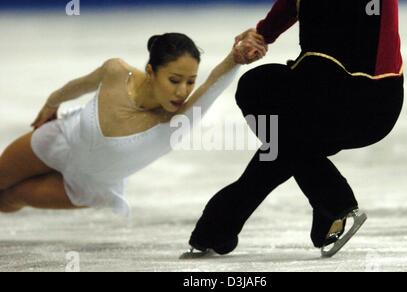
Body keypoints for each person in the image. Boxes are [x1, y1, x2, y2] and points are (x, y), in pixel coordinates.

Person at [185, 0, 404, 257]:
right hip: (363, 106)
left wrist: (262, 35)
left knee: (258, 89)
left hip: (352, 101)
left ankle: (333, 201)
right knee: (289, 142)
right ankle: (219, 228)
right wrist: (262, 35)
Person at [0, 32, 267, 216]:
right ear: (151, 71)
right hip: (59, 139)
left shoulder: (174, 122)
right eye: (174, 80)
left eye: (190, 81)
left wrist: (237, 56)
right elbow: (79, 86)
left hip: (87, 186)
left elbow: (213, 84)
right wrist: (52, 103)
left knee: (8, 198)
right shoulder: (117, 71)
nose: (182, 91)